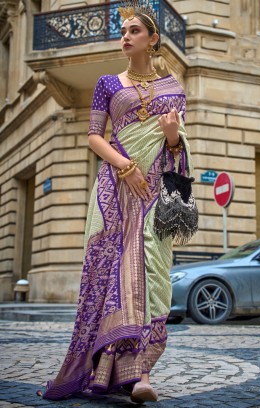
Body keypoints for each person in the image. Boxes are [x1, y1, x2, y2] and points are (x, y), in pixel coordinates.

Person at [41, 0, 193, 403]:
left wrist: (174, 134)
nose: (125, 36)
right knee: (119, 275)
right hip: (116, 191)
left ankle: (141, 370)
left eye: (133, 31)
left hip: (155, 196)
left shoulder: (174, 89)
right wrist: (127, 166)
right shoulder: (108, 84)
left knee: (153, 274)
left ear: (152, 39)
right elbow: (94, 136)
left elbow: (178, 152)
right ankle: (127, 373)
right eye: (122, 31)